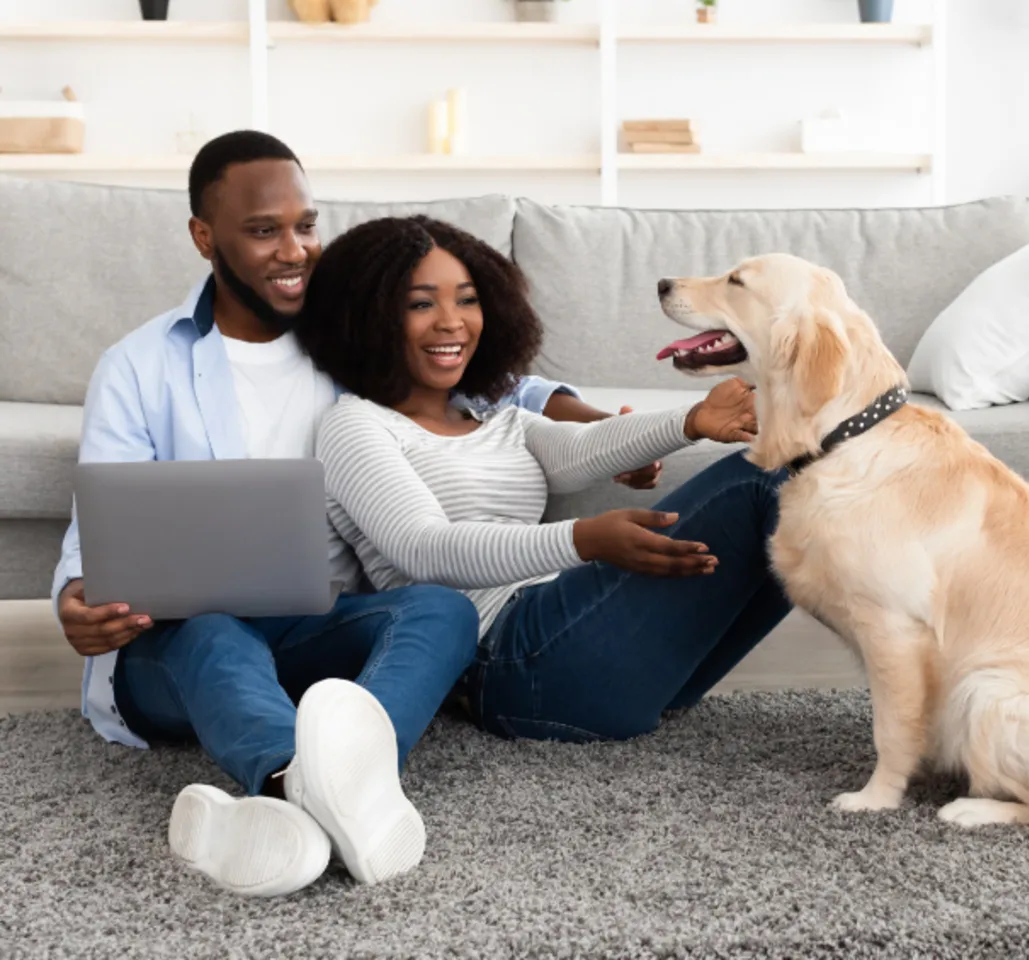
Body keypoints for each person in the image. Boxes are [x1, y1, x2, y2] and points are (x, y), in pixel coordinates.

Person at [51, 131, 645, 898]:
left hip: (320, 625)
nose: (295, 249)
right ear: (205, 237)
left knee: (438, 610)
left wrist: (597, 425)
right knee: (213, 632)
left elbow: (497, 380)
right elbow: (97, 525)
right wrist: (76, 600)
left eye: (306, 224)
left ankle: (303, 808)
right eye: (264, 231)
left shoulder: (346, 336)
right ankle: (294, 780)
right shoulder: (141, 364)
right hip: (182, 648)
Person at [295, 215, 794, 743]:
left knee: (800, 484)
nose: (452, 322)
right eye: (421, 304)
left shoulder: (497, 419)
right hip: (511, 659)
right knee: (761, 481)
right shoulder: (354, 424)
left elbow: (581, 451)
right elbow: (424, 548)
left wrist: (692, 421)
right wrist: (583, 540)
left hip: (570, 641)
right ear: (367, 317)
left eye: (467, 300)